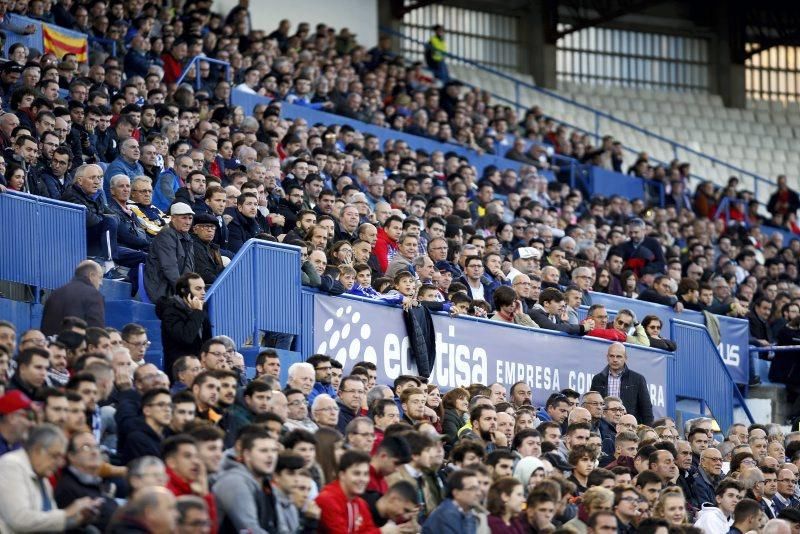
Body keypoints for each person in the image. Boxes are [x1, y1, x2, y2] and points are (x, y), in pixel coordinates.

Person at [0, 424, 102, 532]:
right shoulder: (12, 465)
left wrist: (78, 519)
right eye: (55, 456)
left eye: (61, 457)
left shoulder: (42, 476)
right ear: (37, 450)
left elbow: (48, 522)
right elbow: (19, 520)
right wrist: (67, 512)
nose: (60, 463)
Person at [213, 427, 280, 532]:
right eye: (263, 451)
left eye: (274, 450)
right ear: (247, 455)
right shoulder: (234, 482)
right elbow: (250, 529)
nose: (270, 456)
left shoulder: (267, 483)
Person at [156, 272, 212, 374]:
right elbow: (186, 337)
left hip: (200, 369)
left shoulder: (200, 308)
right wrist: (197, 313)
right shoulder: (171, 310)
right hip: (180, 372)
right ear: (184, 290)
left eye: (204, 288)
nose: (203, 292)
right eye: (198, 289)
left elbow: (207, 341)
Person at [316, 449, 381, 533]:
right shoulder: (327, 499)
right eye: (356, 473)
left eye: (365, 474)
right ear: (342, 475)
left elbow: (369, 529)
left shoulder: (361, 504)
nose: (362, 479)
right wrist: (381, 532)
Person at [589, 343, 654, 425]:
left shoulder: (638, 379)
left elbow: (646, 410)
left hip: (629, 428)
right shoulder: (597, 379)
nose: (615, 359)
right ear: (607, 357)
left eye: (619, 356)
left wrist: (646, 432)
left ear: (625, 358)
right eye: (612, 356)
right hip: (603, 427)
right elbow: (592, 405)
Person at [144, 202, 197, 303]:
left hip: (174, 288)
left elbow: (188, 268)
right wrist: (184, 291)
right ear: (173, 218)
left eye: (190, 218)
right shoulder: (166, 236)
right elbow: (170, 268)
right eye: (184, 218)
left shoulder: (187, 237)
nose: (188, 222)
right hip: (162, 290)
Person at [40, 260, 105, 336]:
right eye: (100, 277)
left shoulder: (54, 294)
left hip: (54, 346)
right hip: (78, 346)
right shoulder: (94, 295)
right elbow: (96, 332)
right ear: (91, 275)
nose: (101, 283)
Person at [422, 469, 479, 534]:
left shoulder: (467, 513)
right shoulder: (445, 515)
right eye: (472, 489)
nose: (478, 493)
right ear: (456, 493)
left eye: (477, 488)